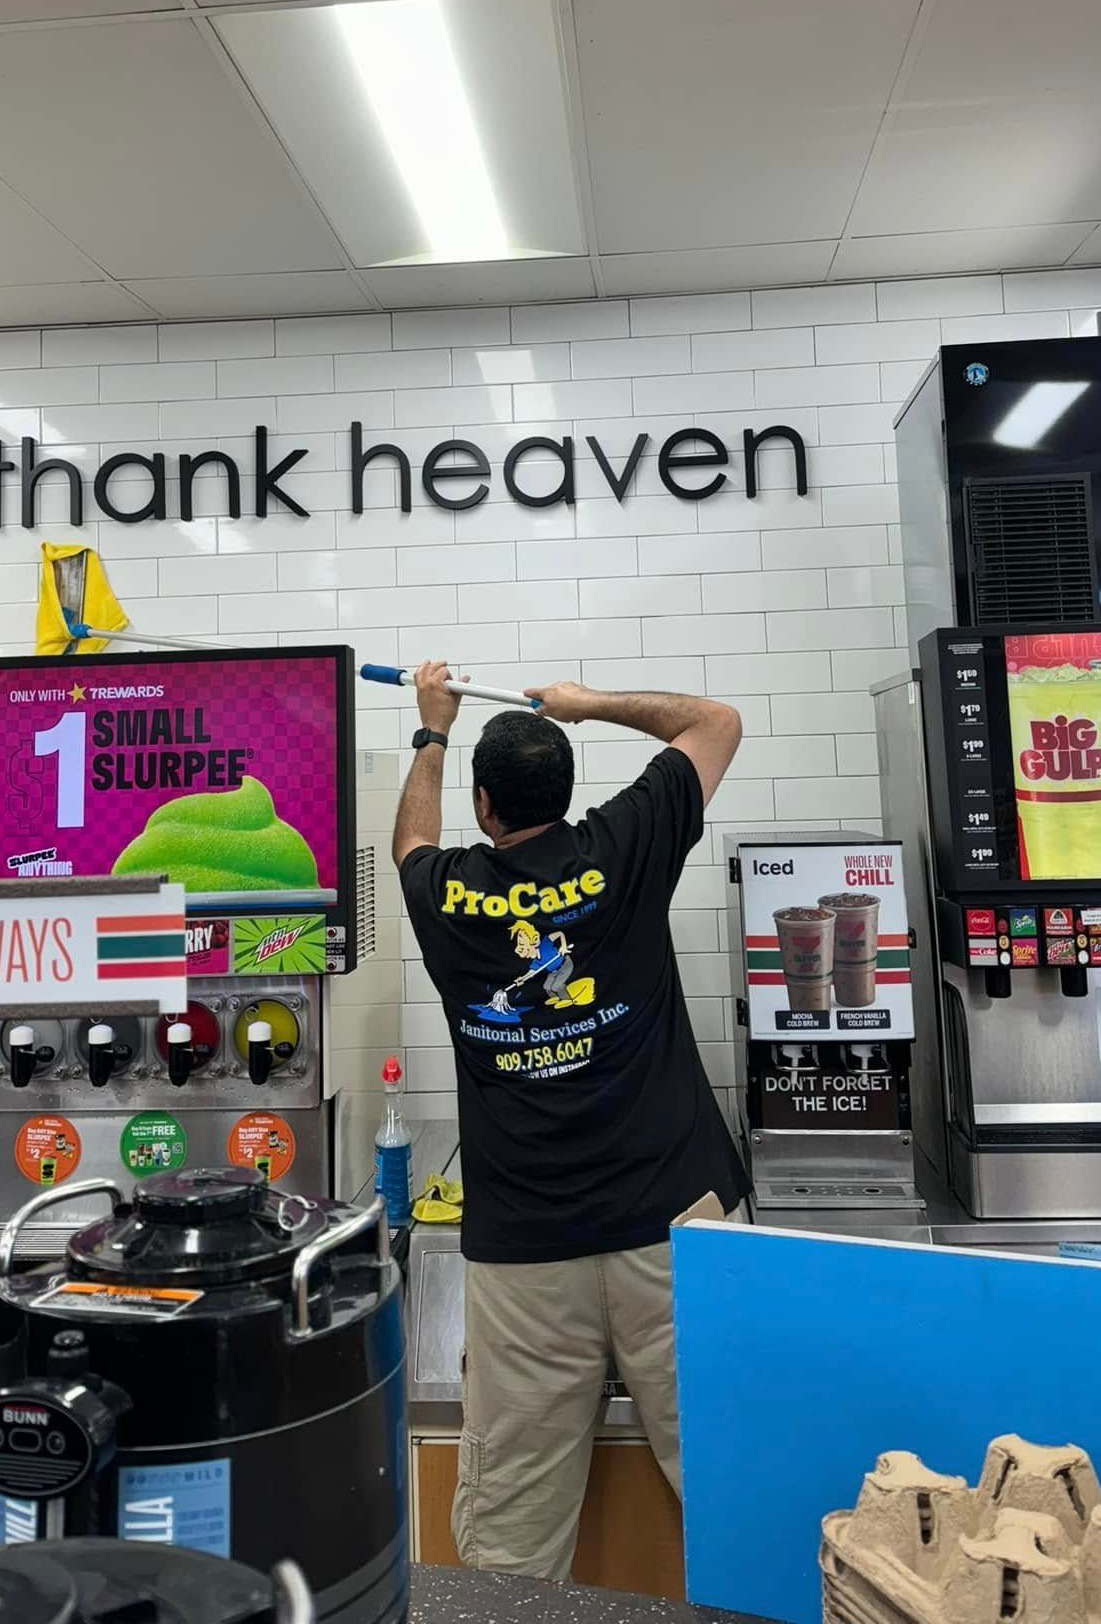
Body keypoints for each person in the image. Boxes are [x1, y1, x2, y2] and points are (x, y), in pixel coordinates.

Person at [393, 662, 750, 1580]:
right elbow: (712, 721)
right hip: (676, 1227)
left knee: (510, 1532)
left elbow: (408, 839)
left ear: (485, 804)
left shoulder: (443, 893)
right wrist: (591, 705)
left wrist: (432, 728)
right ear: (567, 788)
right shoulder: (624, 843)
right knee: (737, 1479)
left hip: (526, 1253)